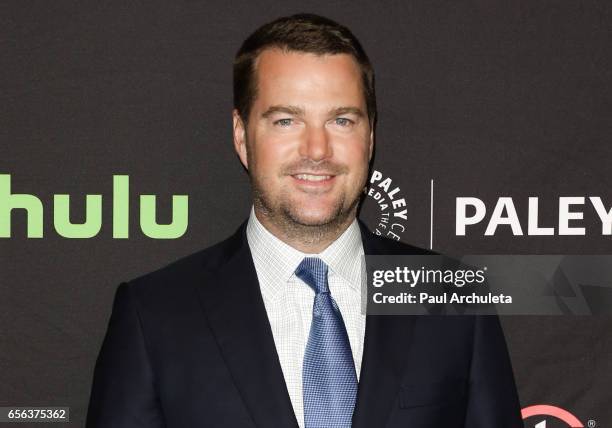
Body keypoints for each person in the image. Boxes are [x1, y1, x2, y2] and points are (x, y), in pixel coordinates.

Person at [86, 13, 522, 428]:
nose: (317, 148)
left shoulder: (451, 299)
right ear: (242, 137)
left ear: (370, 137)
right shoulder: (156, 314)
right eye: (286, 120)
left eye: (341, 119)